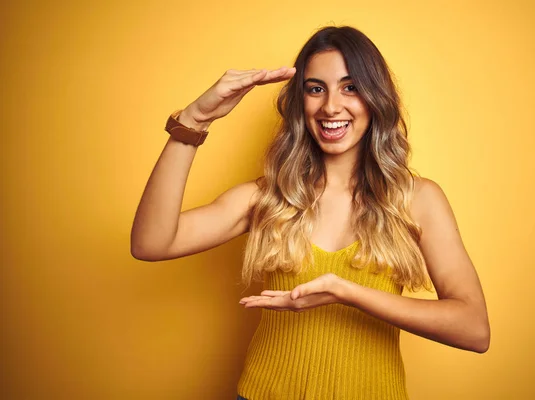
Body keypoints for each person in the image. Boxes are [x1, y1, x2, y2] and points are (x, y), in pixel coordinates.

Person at [131, 25, 490, 400]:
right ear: (300, 103)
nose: (331, 106)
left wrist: (345, 292)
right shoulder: (267, 197)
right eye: (316, 89)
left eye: (350, 87)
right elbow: (151, 243)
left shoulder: (416, 199)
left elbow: (473, 329)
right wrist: (194, 120)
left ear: (375, 99)